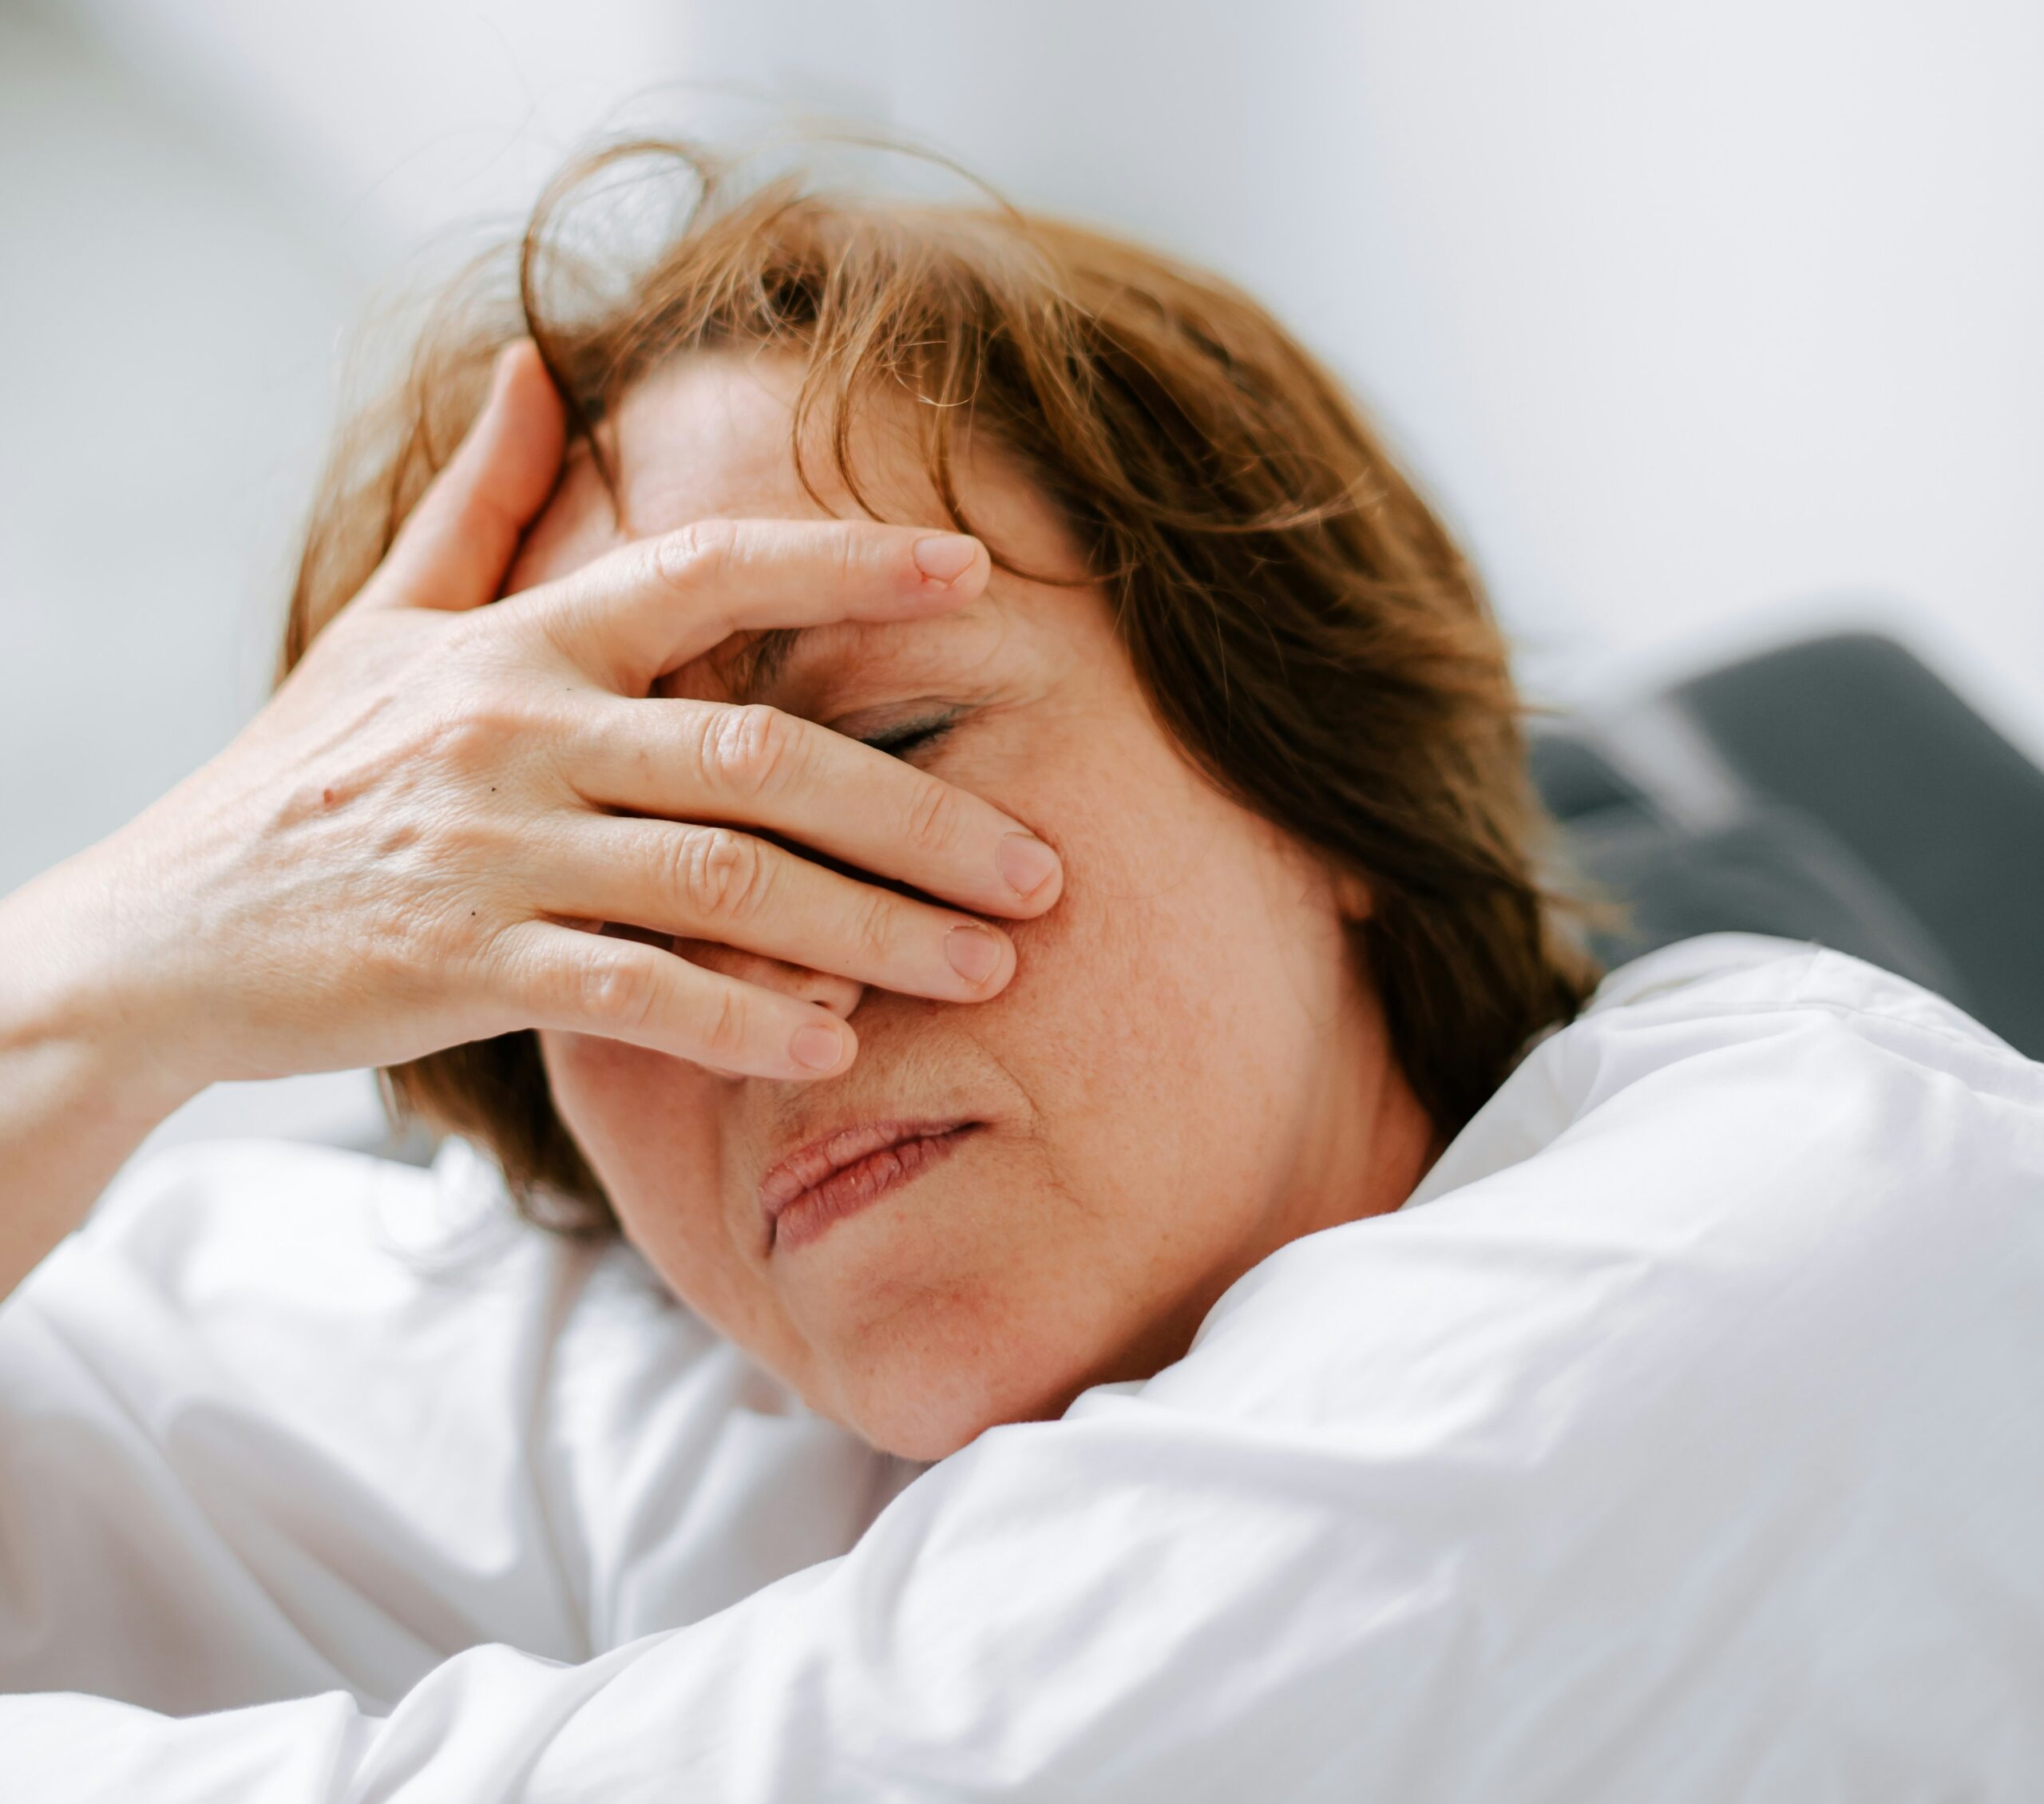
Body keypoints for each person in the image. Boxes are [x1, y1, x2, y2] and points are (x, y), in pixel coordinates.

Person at [3, 145, 2042, 1801]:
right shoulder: (655, 1375)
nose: (751, 973)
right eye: (595, 888)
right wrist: (118, 960)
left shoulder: (1803, 1227)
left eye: (881, 757)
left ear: (1303, 769)